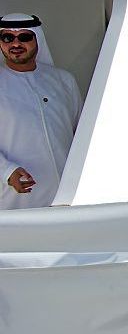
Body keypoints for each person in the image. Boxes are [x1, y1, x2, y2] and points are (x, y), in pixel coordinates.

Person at [0, 13, 81, 209]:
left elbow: (83, 133)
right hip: (16, 200)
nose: (16, 43)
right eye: (7, 37)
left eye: (25, 37)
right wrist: (6, 172)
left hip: (68, 197)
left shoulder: (63, 81)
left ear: (38, 39)